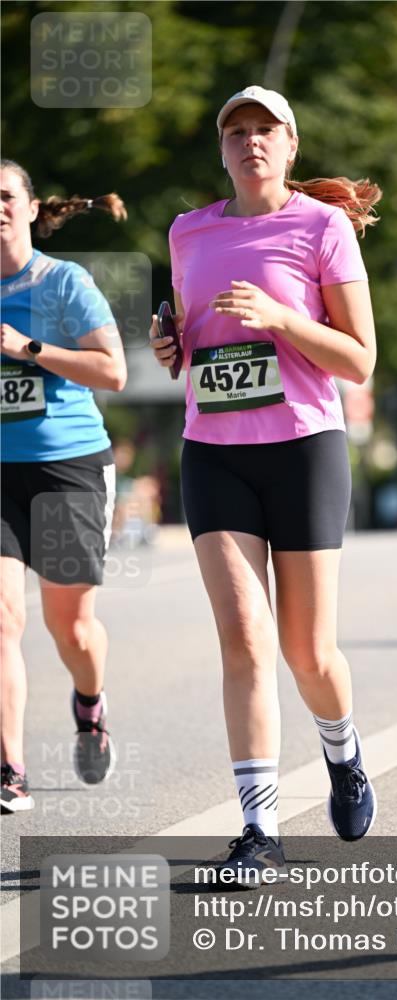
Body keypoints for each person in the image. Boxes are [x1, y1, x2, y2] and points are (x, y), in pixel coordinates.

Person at [150, 85, 381, 881]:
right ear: (221, 150)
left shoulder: (320, 228)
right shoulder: (187, 232)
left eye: (265, 130)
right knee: (244, 638)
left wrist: (283, 320)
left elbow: (359, 360)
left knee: (306, 650)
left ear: (289, 146)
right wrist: (171, 345)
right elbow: (196, 335)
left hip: (303, 447)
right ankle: (259, 833)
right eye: (236, 131)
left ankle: (343, 753)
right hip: (213, 449)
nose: (250, 141)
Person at [0, 160, 128, 813]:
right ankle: (9, 769)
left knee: (70, 628)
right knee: (1, 617)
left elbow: (113, 371)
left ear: (28, 208)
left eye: (4, 196)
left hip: (66, 466)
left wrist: (27, 348)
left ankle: (89, 705)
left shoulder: (62, 282)